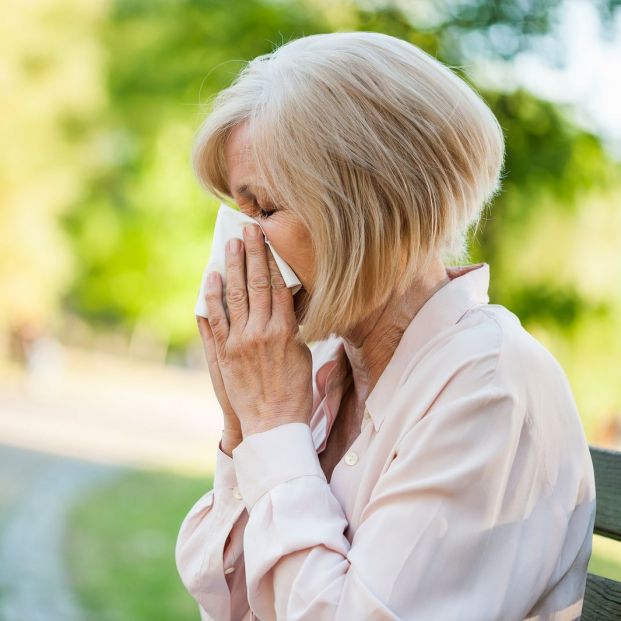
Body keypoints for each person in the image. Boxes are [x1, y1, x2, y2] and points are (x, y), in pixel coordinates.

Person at [175, 31, 596, 621]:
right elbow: (226, 600)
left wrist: (271, 425)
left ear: (367, 210)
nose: (241, 245)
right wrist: (245, 427)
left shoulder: (489, 386)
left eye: (264, 210)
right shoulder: (327, 372)